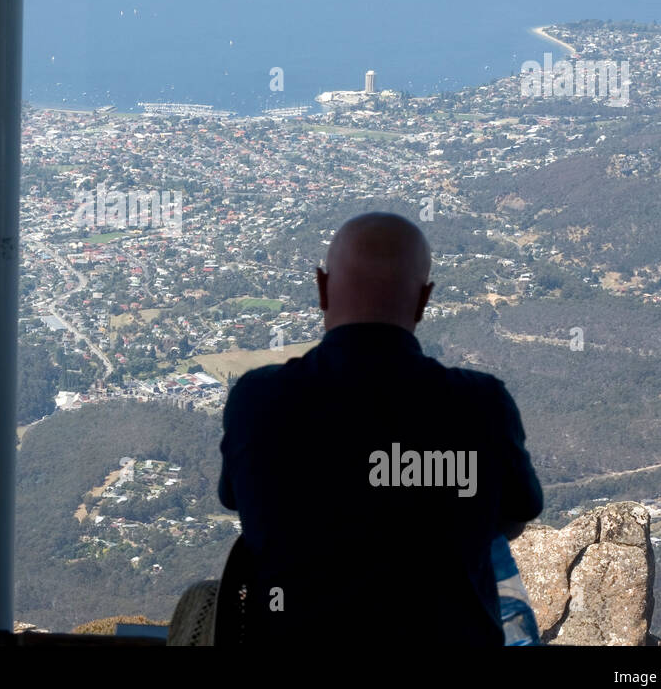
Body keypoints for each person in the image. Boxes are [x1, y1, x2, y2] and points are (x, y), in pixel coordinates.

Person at [217, 212, 543, 644]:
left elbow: (234, 497)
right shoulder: (480, 405)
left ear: (321, 288)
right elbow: (520, 508)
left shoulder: (258, 400)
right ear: (424, 300)